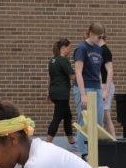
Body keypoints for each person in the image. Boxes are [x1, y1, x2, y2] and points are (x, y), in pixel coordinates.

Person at [73, 23, 104, 159]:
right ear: (91, 34)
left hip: (96, 86)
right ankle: (83, 152)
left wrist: (102, 89)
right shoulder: (82, 48)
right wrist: (83, 94)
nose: (100, 39)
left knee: (98, 119)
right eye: (99, 36)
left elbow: (99, 71)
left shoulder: (98, 49)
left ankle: (95, 149)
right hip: (85, 87)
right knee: (84, 119)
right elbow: (78, 72)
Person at [46, 38, 75, 146]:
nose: (70, 51)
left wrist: (49, 93)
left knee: (67, 116)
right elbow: (72, 76)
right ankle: (47, 143)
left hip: (54, 92)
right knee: (57, 118)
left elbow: (51, 78)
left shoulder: (52, 60)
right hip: (62, 94)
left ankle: (71, 141)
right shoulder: (63, 60)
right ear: (63, 48)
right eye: (69, 48)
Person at [98, 32, 116, 138]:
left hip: (105, 85)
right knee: (102, 114)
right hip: (100, 85)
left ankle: (113, 140)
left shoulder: (105, 51)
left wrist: (106, 90)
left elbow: (110, 71)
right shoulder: (98, 51)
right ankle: (108, 139)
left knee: (106, 114)